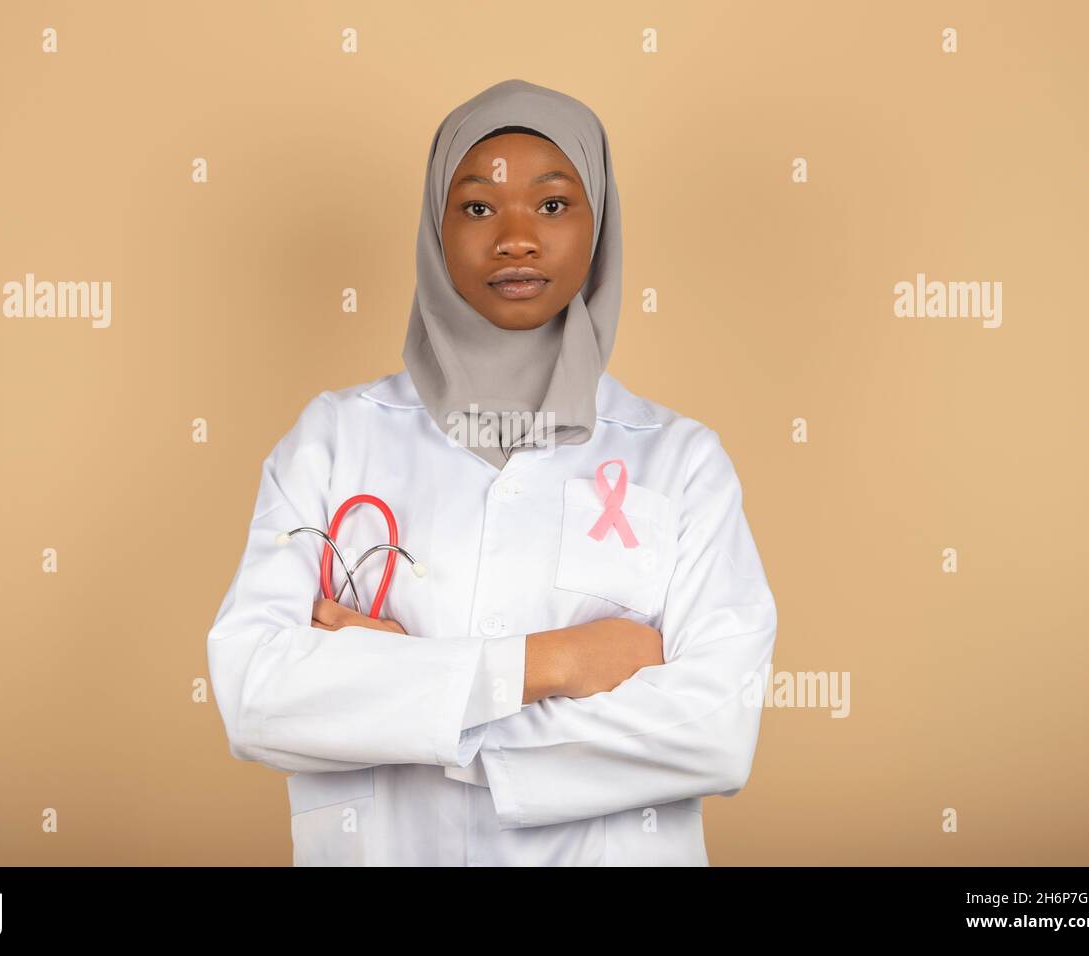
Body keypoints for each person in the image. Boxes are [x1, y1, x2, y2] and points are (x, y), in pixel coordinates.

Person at [206, 78, 778, 866]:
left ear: (599, 222)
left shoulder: (680, 460)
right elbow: (255, 695)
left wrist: (403, 699)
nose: (515, 238)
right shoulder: (335, 438)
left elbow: (714, 730)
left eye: (552, 206)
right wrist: (559, 664)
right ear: (435, 228)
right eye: (477, 207)